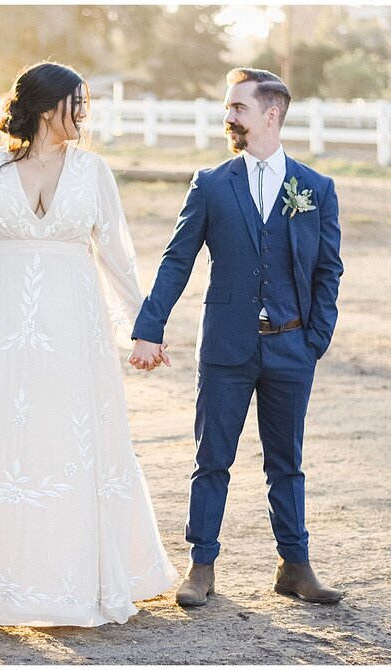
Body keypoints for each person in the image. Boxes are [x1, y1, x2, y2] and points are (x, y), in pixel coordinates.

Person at [0, 61, 178, 627]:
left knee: (69, 440)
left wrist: (142, 326)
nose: (84, 113)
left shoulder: (94, 172)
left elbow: (117, 257)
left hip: (73, 330)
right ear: (43, 107)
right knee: (5, 446)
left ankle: (76, 580)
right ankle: (0, 585)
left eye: (86, 103)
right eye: (76, 103)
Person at [128, 67, 344, 607]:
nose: (228, 117)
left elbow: (328, 270)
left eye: (238, 108)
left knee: (286, 463)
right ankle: (201, 567)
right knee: (212, 458)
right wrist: (148, 328)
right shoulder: (211, 184)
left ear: (271, 115)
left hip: (292, 348)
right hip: (226, 347)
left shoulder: (315, 188)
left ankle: (295, 567)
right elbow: (177, 261)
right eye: (227, 107)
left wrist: (314, 339)